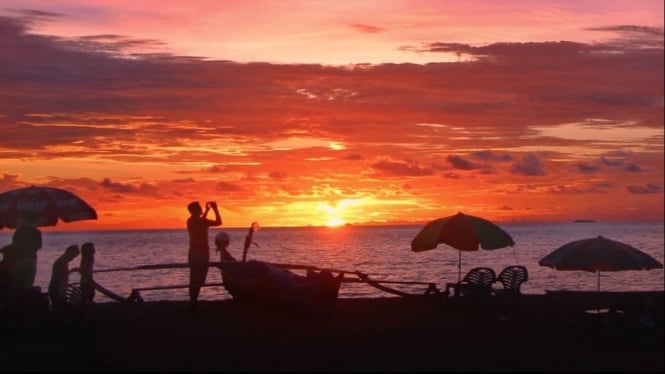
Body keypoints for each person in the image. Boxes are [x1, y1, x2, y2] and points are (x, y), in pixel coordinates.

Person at [187, 200, 222, 309]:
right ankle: (194, 302)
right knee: (200, 279)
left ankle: (193, 301)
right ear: (196, 210)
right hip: (202, 254)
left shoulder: (190, 221)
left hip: (193, 253)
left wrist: (207, 210)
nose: (201, 208)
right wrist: (215, 209)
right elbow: (218, 222)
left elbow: (200, 222)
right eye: (200, 207)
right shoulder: (202, 222)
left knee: (193, 278)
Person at [9, 211, 42, 290]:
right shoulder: (37, 232)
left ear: (24, 220)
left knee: (16, 284)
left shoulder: (19, 232)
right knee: (28, 285)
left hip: (19, 260)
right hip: (31, 260)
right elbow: (39, 246)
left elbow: (14, 246)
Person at [48, 244, 80, 312]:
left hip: (55, 289)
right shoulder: (63, 261)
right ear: (70, 253)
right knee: (58, 309)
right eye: (73, 256)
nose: (72, 259)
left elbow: (62, 274)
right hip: (57, 290)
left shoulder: (61, 260)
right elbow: (62, 276)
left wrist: (71, 270)